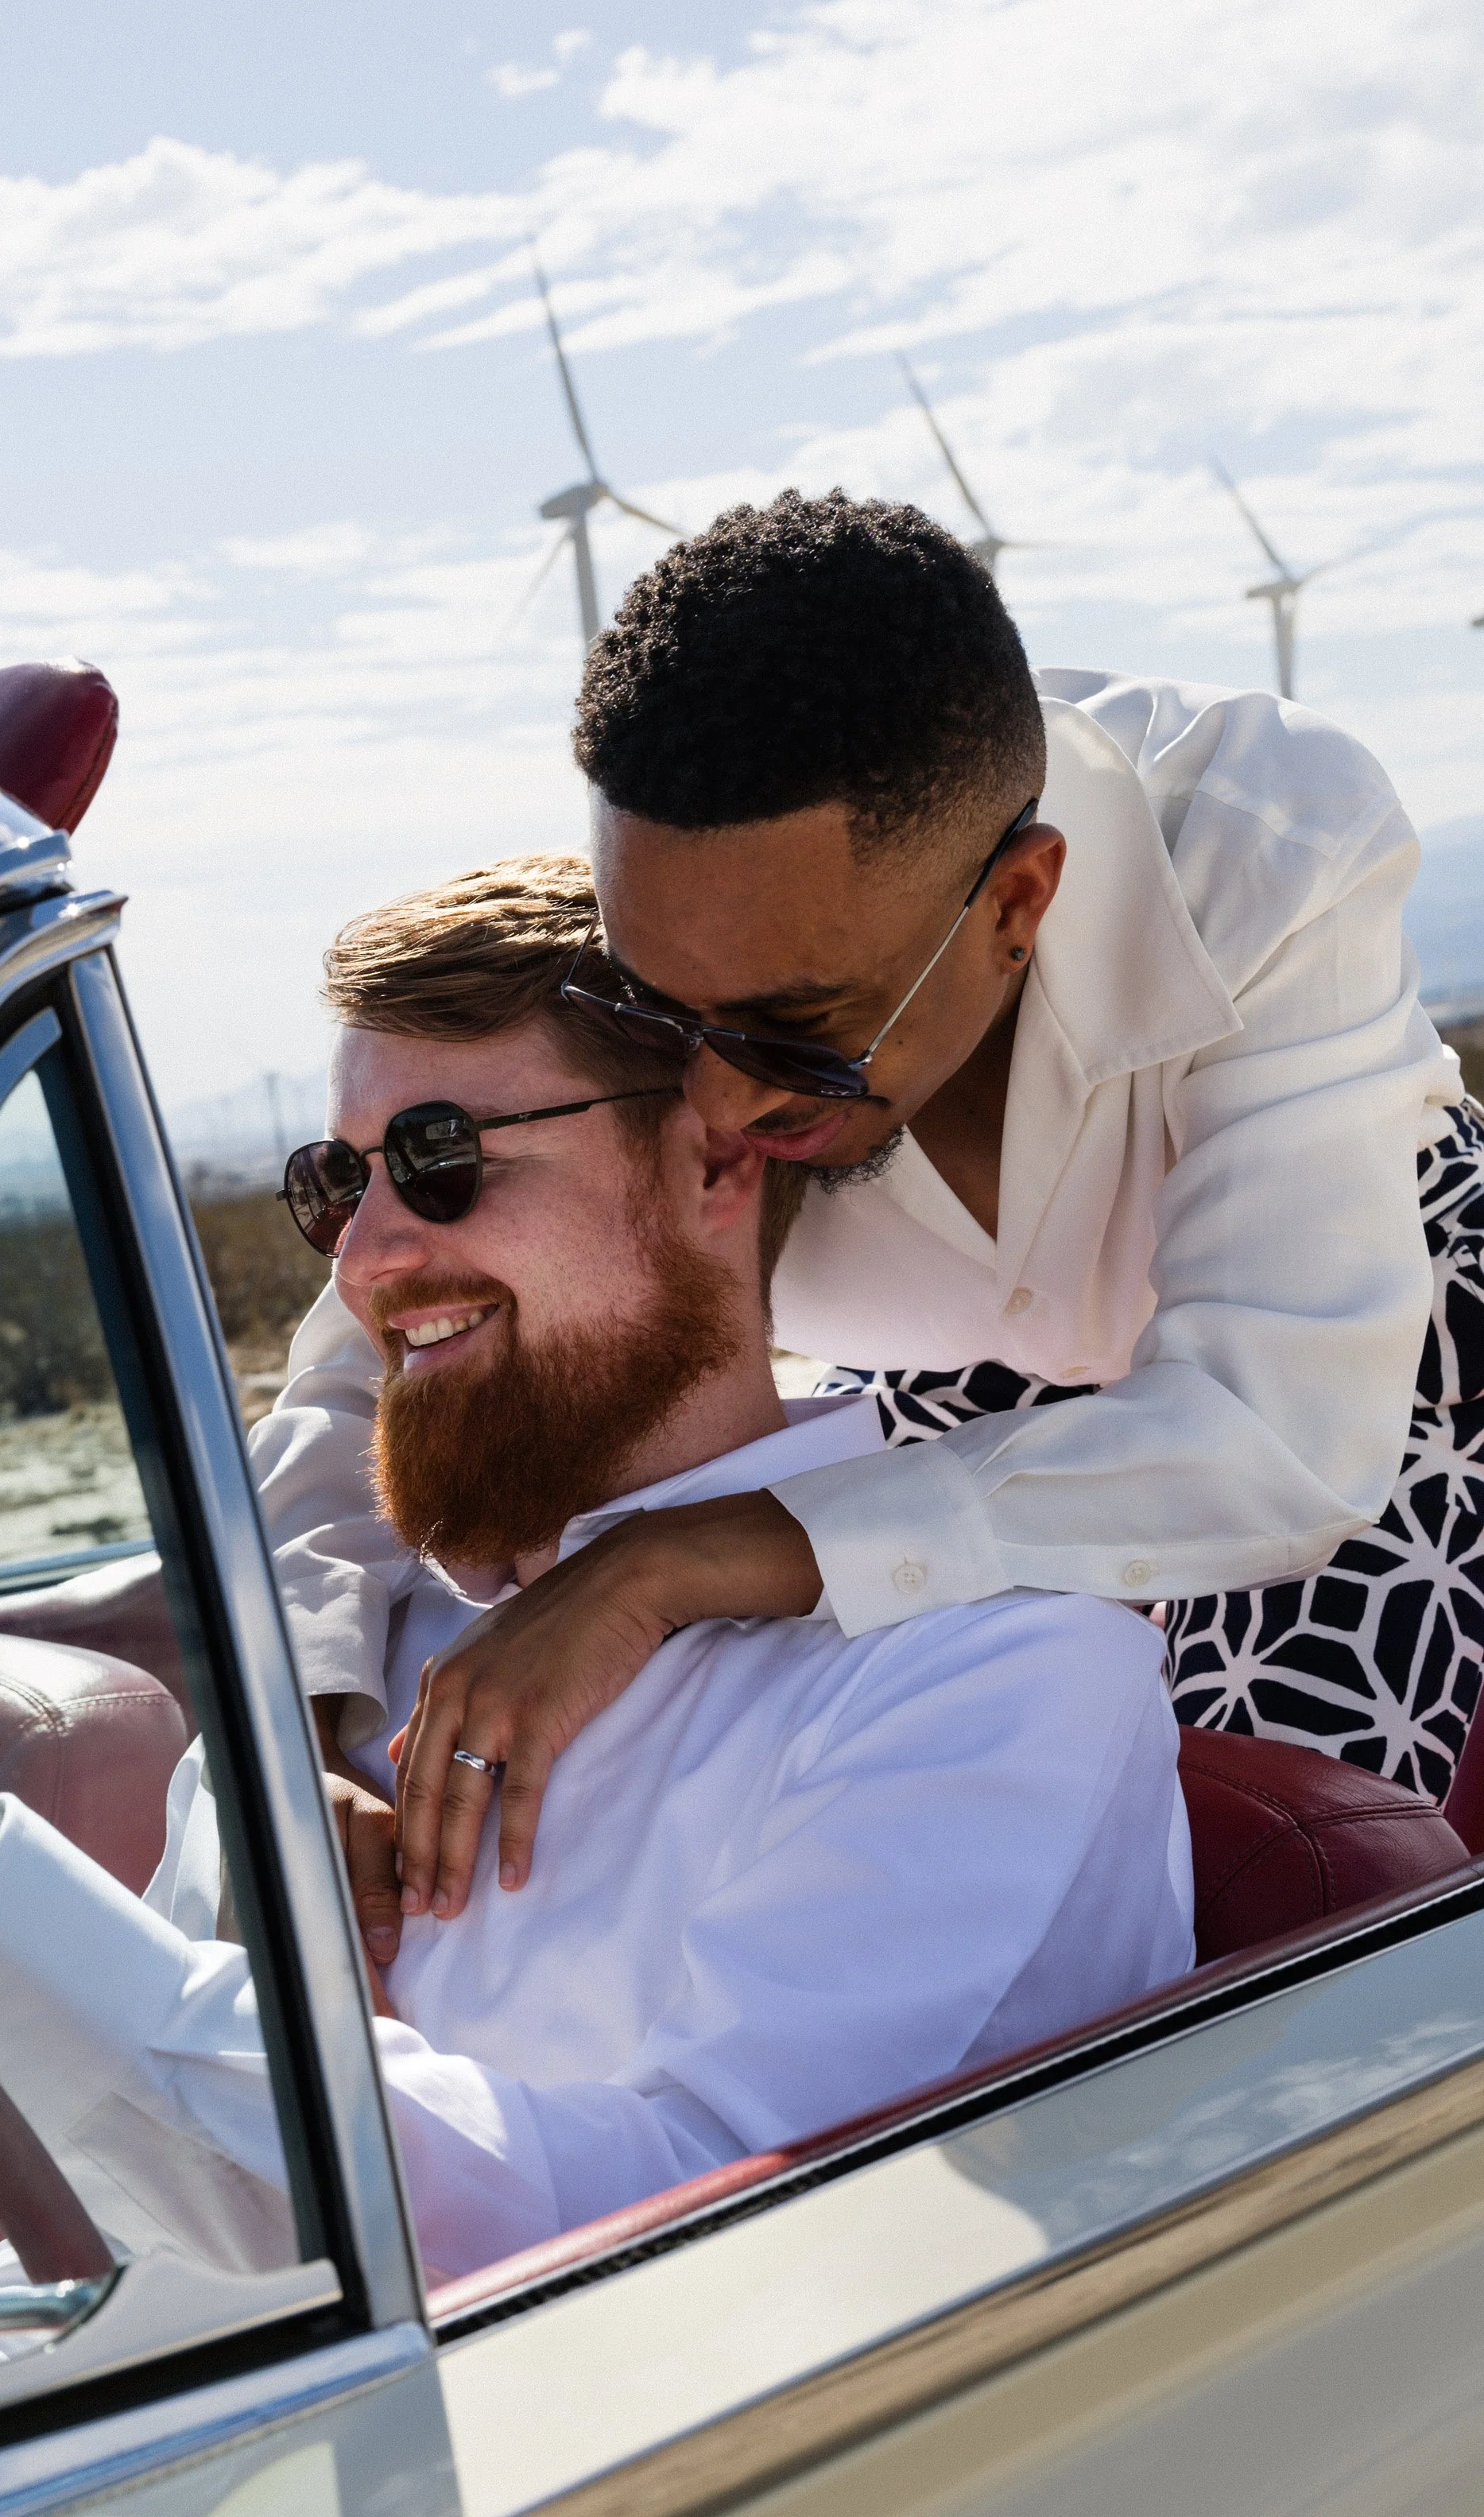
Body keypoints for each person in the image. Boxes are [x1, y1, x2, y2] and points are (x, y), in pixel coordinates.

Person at [0, 859, 1191, 2286]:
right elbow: (147, 2229)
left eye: (442, 1159)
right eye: (337, 1182)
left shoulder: (992, 1680)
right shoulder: (345, 1680)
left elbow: (694, 2242)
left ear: (717, 1164)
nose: (361, 1257)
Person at [258, 491, 1473, 1936]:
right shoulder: (705, 895)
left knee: (1284, 1871)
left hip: (1364, 1347)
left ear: (1019, 904)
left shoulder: (1263, 842)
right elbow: (356, 1354)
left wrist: (674, 1562)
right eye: (663, 1008)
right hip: (943, 1390)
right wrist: (305, 1733)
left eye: (788, 1024)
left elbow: (1271, 1439)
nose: (705, 1094)